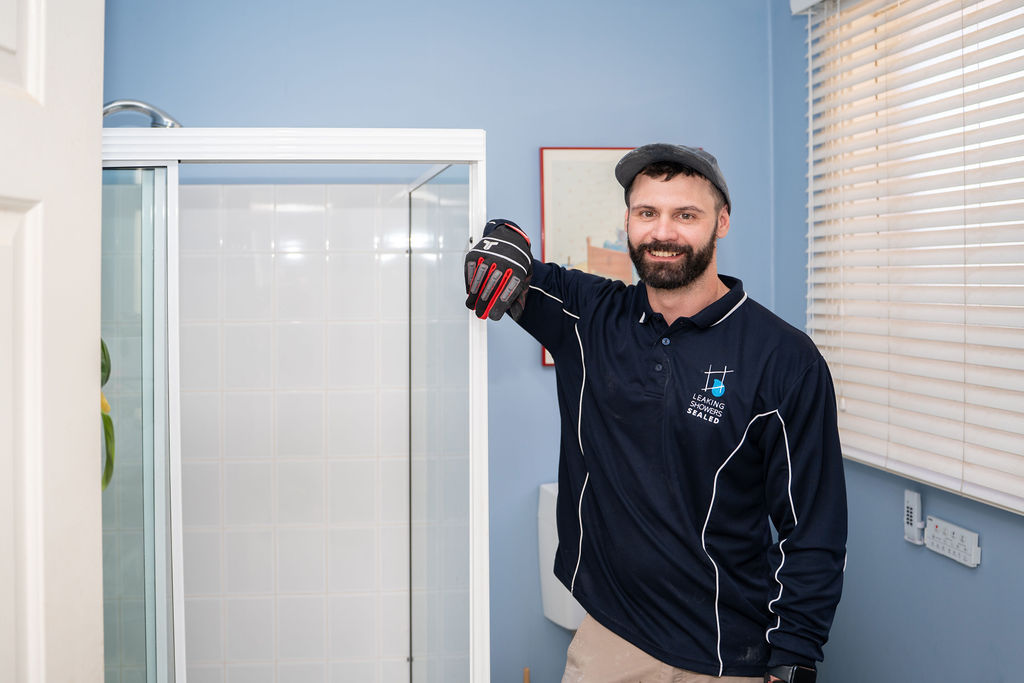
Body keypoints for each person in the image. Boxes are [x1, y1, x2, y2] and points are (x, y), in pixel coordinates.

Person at [465, 144, 847, 683]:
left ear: (722, 222)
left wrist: (794, 656)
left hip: (727, 652)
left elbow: (813, 526)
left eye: (685, 215)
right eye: (647, 213)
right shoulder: (589, 316)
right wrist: (496, 244)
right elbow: (510, 268)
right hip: (611, 639)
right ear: (627, 221)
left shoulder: (784, 359)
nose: (662, 232)